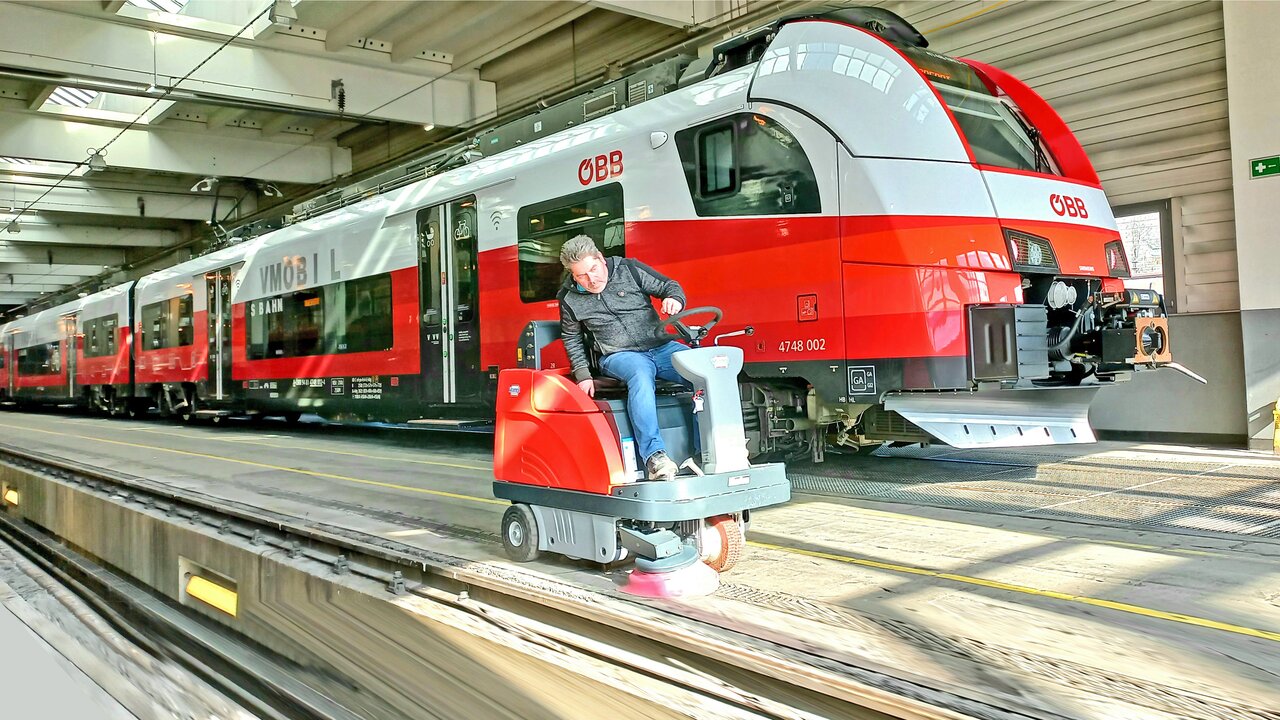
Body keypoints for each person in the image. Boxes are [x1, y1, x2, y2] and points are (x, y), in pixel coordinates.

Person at [557, 235, 687, 481]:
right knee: (640, 373)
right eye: (581, 276)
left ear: (601, 260)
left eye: (593, 269)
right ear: (573, 276)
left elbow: (669, 286)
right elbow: (571, 338)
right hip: (618, 356)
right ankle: (655, 457)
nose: (591, 279)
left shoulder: (629, 269)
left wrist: (674, 299)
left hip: (660, 347)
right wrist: (583, 375)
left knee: (702, 372)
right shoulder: (568, 298)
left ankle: (715, 446)